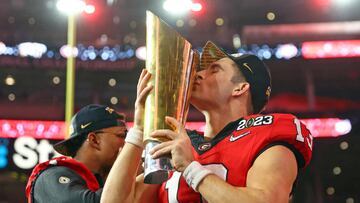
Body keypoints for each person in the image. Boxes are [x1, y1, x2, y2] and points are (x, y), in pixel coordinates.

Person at [101, 41, 313, 203]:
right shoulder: (182, 142)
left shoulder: (268, 133)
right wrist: (138, 130)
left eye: (214, 70)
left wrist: (192, 169)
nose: (199, 75)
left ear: (240, 88)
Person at [26, 104, 128, 203]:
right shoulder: (50, 177)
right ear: (94, 140)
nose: (126, 143)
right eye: (121, 135)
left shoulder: (100, 183)